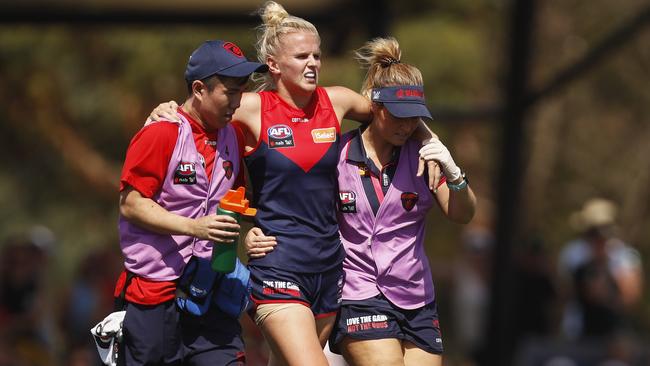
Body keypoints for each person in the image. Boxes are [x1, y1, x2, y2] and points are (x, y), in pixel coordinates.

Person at [148, 3, 443, 365]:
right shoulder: (251, 107)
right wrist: (165, 110)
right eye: (302, 56)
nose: (313, 63)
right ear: (273, 64)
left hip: (330, 268)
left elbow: (395, 111)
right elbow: (197, 111)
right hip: (278, 264)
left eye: (316, 56)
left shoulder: (336, 101)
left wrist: (430, 141)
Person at [247, 37, 477, 366]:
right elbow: (286, 194)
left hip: (417, 296)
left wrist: (454, 172)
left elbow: (462, 213)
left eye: (415, 117)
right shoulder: (335, 154)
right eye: (399, 115)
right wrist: (254, 228)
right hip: (359, 292)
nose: (407, 125)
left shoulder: (425, 157)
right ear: (375, 108)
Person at [114, 39, 267, 365]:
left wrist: (249, 231)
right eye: (230, 92)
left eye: (241, 92)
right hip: (157, 294)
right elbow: (131, 204)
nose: (237, 103)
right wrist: (194, 228)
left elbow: (236, 200)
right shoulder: (162, 132)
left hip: (212, 291)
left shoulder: (233, 136)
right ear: (199, 88)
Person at [557, 198, 643, 340]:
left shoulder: (624, 255)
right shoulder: (572, 252)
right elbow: (563, 292)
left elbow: (630, 296)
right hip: (576, 331)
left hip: (614, 335)